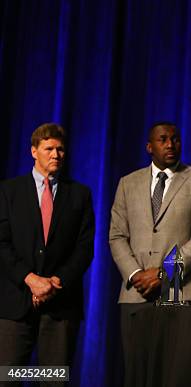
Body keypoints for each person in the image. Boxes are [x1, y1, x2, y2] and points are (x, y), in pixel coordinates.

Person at [109, 122, 191, 374]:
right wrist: (136, 275)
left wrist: (163, 273)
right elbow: (116, 236)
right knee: (137, 372)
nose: (170, 144)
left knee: (176, 374)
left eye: (175, 139)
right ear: (149, 146)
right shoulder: (127, 183)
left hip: (181, 294)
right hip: (135, 295)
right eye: (163, 139)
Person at [0, 123, 94, 375]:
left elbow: (84, 249)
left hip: (61, 305)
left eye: (60, 149)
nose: (56, 155)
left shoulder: (79, 194)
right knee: (7, 379)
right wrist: (30, 280)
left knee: (54, 381)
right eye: (49, 148)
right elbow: (2, 244)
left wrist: (54, 283)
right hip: (15, 306)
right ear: (34, 151)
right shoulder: (9, 191)